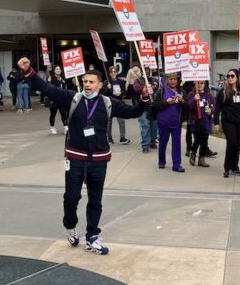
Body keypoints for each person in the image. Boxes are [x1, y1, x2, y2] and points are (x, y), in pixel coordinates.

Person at [16, 57, 153, 255]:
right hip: (75, 158)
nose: (87, 85)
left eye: (91, 82)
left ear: (100, 84)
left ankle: (92, 237)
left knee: (95, 200)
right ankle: (70, 225)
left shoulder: (109, 103)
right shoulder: (72, 98)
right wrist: (28, 71)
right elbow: (46, 88)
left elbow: (132, 112)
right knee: (71, 198)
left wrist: (144, 99)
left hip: (99, 160)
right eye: (85, 81)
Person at [214, 68, 240, 178]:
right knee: (232, 143)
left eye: (232, 76)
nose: (229, 78)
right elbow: (217, 107)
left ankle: (235, 167)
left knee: (237, 144)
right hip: (228, 121)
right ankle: (227, 167)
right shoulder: (223, 91)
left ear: (237, 77)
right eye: (228, 76)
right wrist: (216, 122)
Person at [152, 72, 186, 172]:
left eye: (174, 79)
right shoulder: (161, 91)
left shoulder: (181, 91)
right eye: (171, 79)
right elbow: (155, 104)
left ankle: (176, 165)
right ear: (167, 80)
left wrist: (182, 101)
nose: (173, 81)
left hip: (176, 122)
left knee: (176, 144)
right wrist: (166, 102)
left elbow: (187, 105)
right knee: (163, 142)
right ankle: (161, 161)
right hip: (163, 122)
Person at [186, 80, 214, 168]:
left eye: (202, 83)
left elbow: (214, 106)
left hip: (206, 121)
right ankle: (193, 154)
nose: (200, 85)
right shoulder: (191, 94)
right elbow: (188, 107)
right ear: (195, 83)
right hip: (196, 121)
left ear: (205, 84)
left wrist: (211, 110)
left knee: (205, 141)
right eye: (198, 83)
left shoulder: (208, 95)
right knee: (197, 139)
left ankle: (202, 158)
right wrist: (194, 100)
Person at [104, 66, 130, 145]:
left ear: (117, 72)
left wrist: (121, 93)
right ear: (109, 73)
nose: (113, 73)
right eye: (111, 72)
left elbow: (125, 92)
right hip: (110, 104)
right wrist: (108, 88)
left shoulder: (121, 81)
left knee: (121, 121)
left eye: (115, 71)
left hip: (119, 103)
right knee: (109, 122)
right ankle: (109, 138)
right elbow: (104, 94)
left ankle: (122, 138)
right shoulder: (106, 82)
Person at [47, 65, 69, 134]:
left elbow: (65, 87)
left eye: (59, 69)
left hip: (62, 99)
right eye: (56, 69)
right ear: (54, 71)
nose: (58, 70)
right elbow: (48, 87)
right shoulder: (51, 77)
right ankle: (52, 127)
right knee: (53, 114)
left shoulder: (62, 78)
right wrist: (48, 82)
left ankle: (65, 127)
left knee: (64, 113)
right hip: (54, 99)